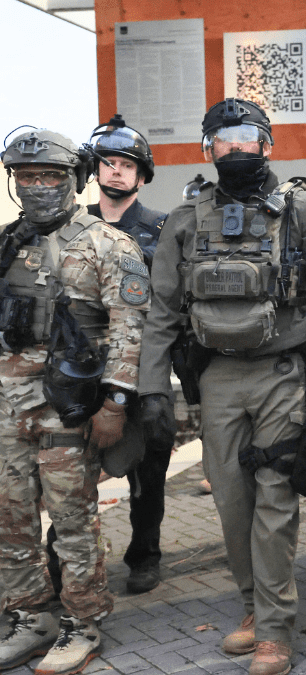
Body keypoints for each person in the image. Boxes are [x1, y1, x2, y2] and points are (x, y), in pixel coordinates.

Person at [137, 98, 306, 675]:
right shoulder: (186, 220)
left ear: (267, 144)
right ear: (208, 149)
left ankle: (276, 632)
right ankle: (253, 608)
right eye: (223, 139)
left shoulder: (302, 212)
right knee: (232, 504)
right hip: (217, 377)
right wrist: (152, 388)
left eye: (246, 136)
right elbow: (162, 310)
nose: (235, 148)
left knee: (276, 500)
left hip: (282, 373)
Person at [0, 128, 149, 674]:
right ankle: (29, 615)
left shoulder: (109, 244)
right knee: (10, 515)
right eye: (26, 176)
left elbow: (131, 329)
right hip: (8, 407)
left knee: (72, 520)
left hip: (67, 406)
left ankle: (82, 621)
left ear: (74, 179)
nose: (37, 186)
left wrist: (114, 405)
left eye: (49, 176)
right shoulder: (7, 242)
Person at [88, 114, 170, 595]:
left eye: (127, 165)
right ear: (96, 169)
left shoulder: (161, 228)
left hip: (145, 365)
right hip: (83, 368)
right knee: (72, 469)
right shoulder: (74, 226)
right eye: (109, 163)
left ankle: (145, 554)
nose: (116, 172)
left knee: (150, 467)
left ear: (141, 176)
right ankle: (68, 558)